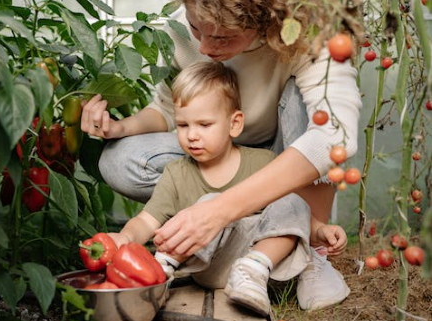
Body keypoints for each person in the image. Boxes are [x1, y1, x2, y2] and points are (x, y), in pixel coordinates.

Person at [81, 0, 361, 311]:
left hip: (283, 153)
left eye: (223, 37)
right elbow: (168, 108)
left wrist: (218, 210)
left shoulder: (311, 33)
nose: (203, 47)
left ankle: (310, 253)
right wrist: (120, 128)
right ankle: (227, 242)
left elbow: (335, 135)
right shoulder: (184, 26)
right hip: (220, 152)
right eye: (196, 29)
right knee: (119, 160)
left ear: (265, 21)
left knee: (306, 105)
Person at [108, 61, 344, 316]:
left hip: (258, 262)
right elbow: (146, 220)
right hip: (206, 265)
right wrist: (126, 237)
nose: (192, 135)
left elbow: (290, 214)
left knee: (294, 201)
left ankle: (253, 269)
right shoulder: (176, 172)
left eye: (205, 125)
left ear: (235, 124)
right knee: (209, 202)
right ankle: (162, 270)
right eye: (183, 125)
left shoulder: (262, 162)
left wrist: (320, 230)